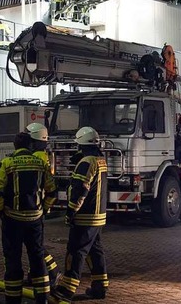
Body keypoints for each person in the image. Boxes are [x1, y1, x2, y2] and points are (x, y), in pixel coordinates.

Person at [0, 131, 57, 304]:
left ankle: (13, 300)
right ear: (31, 146)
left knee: (13, 259)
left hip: (12, 220)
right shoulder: (40, 163)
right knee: (37, 257)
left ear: (15, 146)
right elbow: (52, 190)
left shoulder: (7, 163)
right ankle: (42, 298)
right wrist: (45, 208)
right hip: (35, 220)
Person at [50, 127, 108, 303]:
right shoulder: (100, 160)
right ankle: (99, 287)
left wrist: (71, 211)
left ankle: (65, 290)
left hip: (85, 216)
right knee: (95, 252)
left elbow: (80, 189)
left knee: (76, 252)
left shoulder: (86, 162)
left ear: (80, 144)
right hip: (98, 216)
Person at [24, 123, 60, 288]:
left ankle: (52, 272)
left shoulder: (37, 157)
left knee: (35, 245)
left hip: (34, 206)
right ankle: (34, 274)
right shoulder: (43, 155)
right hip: (40, 204)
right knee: (34, 244)